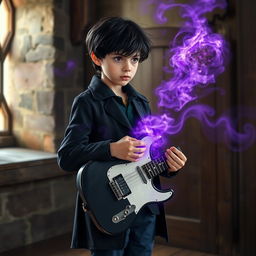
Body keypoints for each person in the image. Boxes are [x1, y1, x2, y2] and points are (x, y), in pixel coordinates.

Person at [57, 17, 187, 256]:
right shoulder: (87, 102)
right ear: (97, 57)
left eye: (134, 59)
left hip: (145, 207)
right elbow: (66, 157)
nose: (128, 67)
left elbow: (150, 156)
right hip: (107, 207)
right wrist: (110, 149)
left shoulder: (141, 102)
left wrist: (169, 166)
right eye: (118, 58)